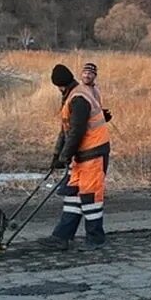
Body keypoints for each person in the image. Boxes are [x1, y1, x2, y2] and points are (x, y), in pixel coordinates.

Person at [39, 64, 111, 251]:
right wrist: (58, 156)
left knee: (90, 196)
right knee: (73, 194)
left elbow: (77, 132)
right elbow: (65, 131)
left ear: (60, 85)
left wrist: (65, 156)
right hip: (83, 155)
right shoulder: (72, 96)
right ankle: (61, 236)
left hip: (94, 152)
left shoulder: (79, 98)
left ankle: (96, 239)